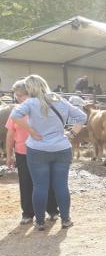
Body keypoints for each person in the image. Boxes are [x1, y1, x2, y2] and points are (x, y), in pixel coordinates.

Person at [9, 74, 87, 230]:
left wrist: (31, 131)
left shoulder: (30, 103)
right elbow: (82, 116)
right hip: (61, 148)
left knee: (40, 186)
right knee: (61, 186)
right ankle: (65, 219)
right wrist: (71, 134)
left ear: (30, 88)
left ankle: (39, 222)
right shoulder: (60, 100)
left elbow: (14, 115)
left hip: (37, 149)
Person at [5, 79, 59, 225]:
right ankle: (28, 213)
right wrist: (9, 155)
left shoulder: (42, 108)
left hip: (42, 150)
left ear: (30, 94)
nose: (18, 98)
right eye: (17, 95)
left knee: (46, 181)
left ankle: (52, 210)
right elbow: (10, 135)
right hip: (22, 152)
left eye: (21, 95)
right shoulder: (16, 111)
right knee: (25, 182)